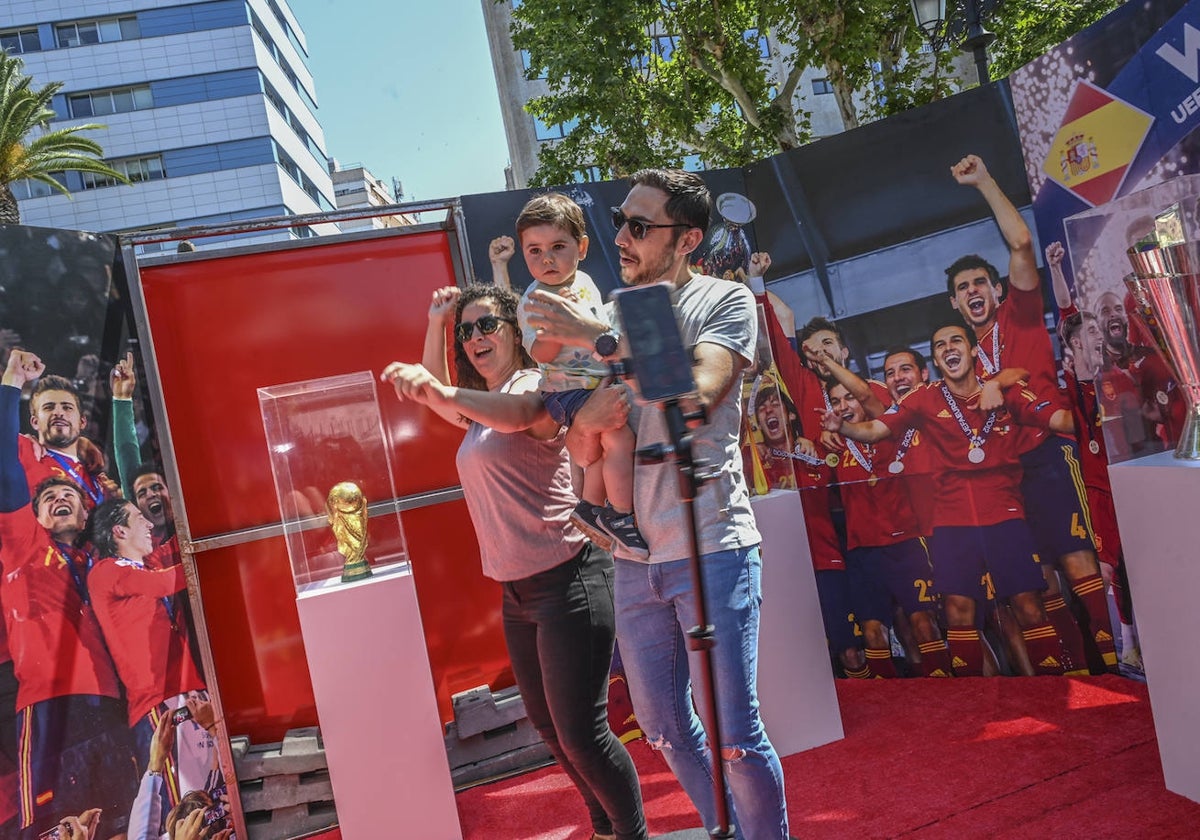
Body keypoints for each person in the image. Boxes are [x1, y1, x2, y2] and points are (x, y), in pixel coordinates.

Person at [524, 168, 789, 838]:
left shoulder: (723, 301)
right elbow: (565, 429)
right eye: (621, 222)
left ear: (688, 237)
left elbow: (697, 394)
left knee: (734, 735)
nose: (623, 238)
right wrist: (579, 416)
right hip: (633, 561)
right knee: (667, 734)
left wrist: (598, 342)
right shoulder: (610, 313)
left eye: (641, 226)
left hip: (713, 546)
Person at [383, 283, 646, 840]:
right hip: (518, 594)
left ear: (513, 333)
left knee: (583, 733)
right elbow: (440, 394)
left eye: (487, 326)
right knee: (552, 732)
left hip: (569, 579)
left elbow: (509, 415)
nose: (476, 337)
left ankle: (633, 834)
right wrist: (436, 322)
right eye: (468, 331)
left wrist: (441, 388)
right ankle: (604, 830)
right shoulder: (476, 408)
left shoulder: (533, 389)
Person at [821, 322, 1075, 677]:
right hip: (951, 524)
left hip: (1004, 514)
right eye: (939, 344)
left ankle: (1052, 688)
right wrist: (842, 428)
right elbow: (874, 430)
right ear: (937, 360)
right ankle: (973, 701)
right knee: (956, 611)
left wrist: (1095, 404)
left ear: (972, 351)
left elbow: (1057, 416)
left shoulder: (1000, 389)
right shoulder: (923, 399)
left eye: (956, 341)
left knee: (1027, 604)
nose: (948, 348)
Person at [949, 153, 1116, 673]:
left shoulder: (1017, 316)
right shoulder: (962, 359)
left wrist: (983, 181)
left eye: (980, 283)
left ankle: (1118, 658)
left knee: (1078, 559)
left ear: (996, 290)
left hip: (1048, 457)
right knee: (1038, 578)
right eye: (962, 289)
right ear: (954, 304)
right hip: (1004, 477)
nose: (973, 292)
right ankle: (1078, 668)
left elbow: (1021, 243)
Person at [0, 350, 137, 838]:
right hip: (33, 665)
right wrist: (11, 383)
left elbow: (138, 501)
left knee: (123, 808)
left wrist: (122, 406)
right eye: (48, 407)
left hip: (107, 676)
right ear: (32, 420)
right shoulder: (20, 463)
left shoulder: (95, 484)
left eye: (67, 406)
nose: (59, 414)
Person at [496, 192, 645, 557]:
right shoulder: (534, 300)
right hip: (567, 390)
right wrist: (561, 328)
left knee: (604, 449)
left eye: (558, 247)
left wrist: (590, 331)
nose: (547, 258)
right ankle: (620, 514)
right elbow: (538, 353)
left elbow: (601, 332)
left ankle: (590, 506)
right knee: (620, 441)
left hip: (597, 382)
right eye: (534, 251)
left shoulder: (586, 283)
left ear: (581, 247)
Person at [824, 381, 952, 678]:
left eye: (850, 398)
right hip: (863, 551)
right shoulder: (832, 445)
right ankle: (891, 707)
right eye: (835, 400)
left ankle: (946, 695)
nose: (843, 406)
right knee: (871, 631)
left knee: (923, 623)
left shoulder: (893, 433)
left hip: (905, 544)